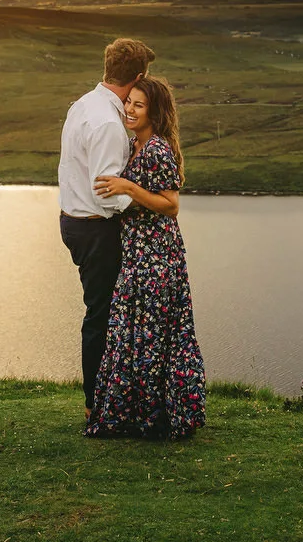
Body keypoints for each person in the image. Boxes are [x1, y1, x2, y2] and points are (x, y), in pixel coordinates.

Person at [86, 74, 206, 439]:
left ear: (155, 112)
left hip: (158, 258)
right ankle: (134, 415)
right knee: (131, 334)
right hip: (136, 256)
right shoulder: (131, 145)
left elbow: (171, 206)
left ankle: (158, 419)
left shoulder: (157, 149)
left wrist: (128, 187)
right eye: (129, 102)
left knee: (153, 337)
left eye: (139, 105)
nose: (129, 109)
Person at [58, 37, 156, 419]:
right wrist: (148, 201)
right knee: (103, 315)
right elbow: (106, 194)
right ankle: (95, 404)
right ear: (138, 77)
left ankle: (109, 397)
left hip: (75, 221)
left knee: (105, 312)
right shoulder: (107, 124)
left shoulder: (84, 104)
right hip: (96, 228)